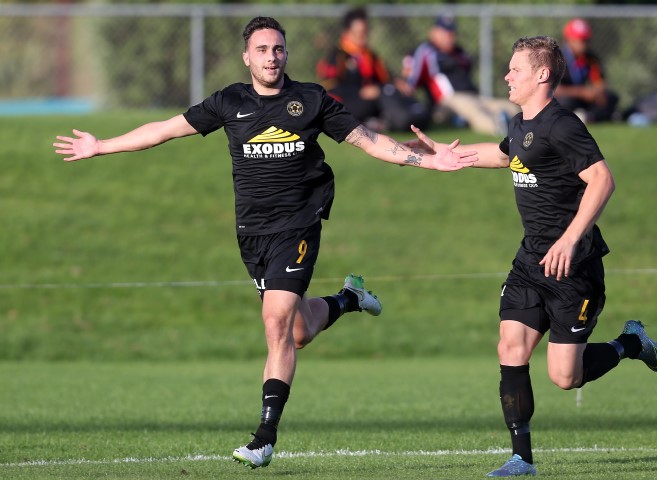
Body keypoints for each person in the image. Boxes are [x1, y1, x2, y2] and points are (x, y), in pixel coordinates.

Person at [53, 16, 477, 470]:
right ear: (247, 57)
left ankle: (264, 438)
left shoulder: (311, 99)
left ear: (286, 54)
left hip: (298, 224)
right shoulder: (229, 102)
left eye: (278, 49)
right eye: (262, 50)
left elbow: (370, 141)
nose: (271, 57)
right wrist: (101, 146)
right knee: (296, 330)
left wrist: (427, 162)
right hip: (251, 233)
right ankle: (349, 299)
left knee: (275, 322)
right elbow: (163, 130)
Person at [408, 36, 657, 477]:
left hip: (573, 267)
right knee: (511, 346)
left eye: (515, 69)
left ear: (542, 75)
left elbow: (602, 180)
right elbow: (508, 156)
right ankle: (521, 459)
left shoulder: (563, 126)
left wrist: (569, 239)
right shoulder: (519, 122)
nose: (507, 76)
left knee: (566, 377)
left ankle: (631, 343)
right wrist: (452, 156)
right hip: (531, 262)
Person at [402, 14, 519, 136]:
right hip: (448, 101)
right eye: (445, 33)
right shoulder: (427, 51)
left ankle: (523, 126)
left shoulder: (460, 53)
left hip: (473, 96)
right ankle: (500, 130)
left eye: (451, 33)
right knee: (474, 110)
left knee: (509, 107)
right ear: (434, 33)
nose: (449, 37)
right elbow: (412, 82)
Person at [316, 7, 430, 132]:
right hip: (348, 103)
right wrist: (360, 92)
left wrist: (398, 83)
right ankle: (383, 122)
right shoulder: (338, 56)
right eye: (360, 32)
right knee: (376, 99)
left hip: (374, 100)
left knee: (390, 93)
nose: (364, 36)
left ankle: (406, 118)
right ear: (348, 32)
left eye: (366, 31)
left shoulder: (370, 56)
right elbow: (330, 88)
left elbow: (385, 77)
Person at [554, 18, 619, 123]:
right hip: (568, 99)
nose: (585, 44)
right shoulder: (556, 58)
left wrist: (597, 91)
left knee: (610, 98)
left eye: (586, 40)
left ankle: (588, 117)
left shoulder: (591, 58)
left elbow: (600, 82)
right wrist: (581, 92)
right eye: (581, 40)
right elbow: (552, 90)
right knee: (564, 102)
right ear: (569, 40)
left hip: (584, 99)